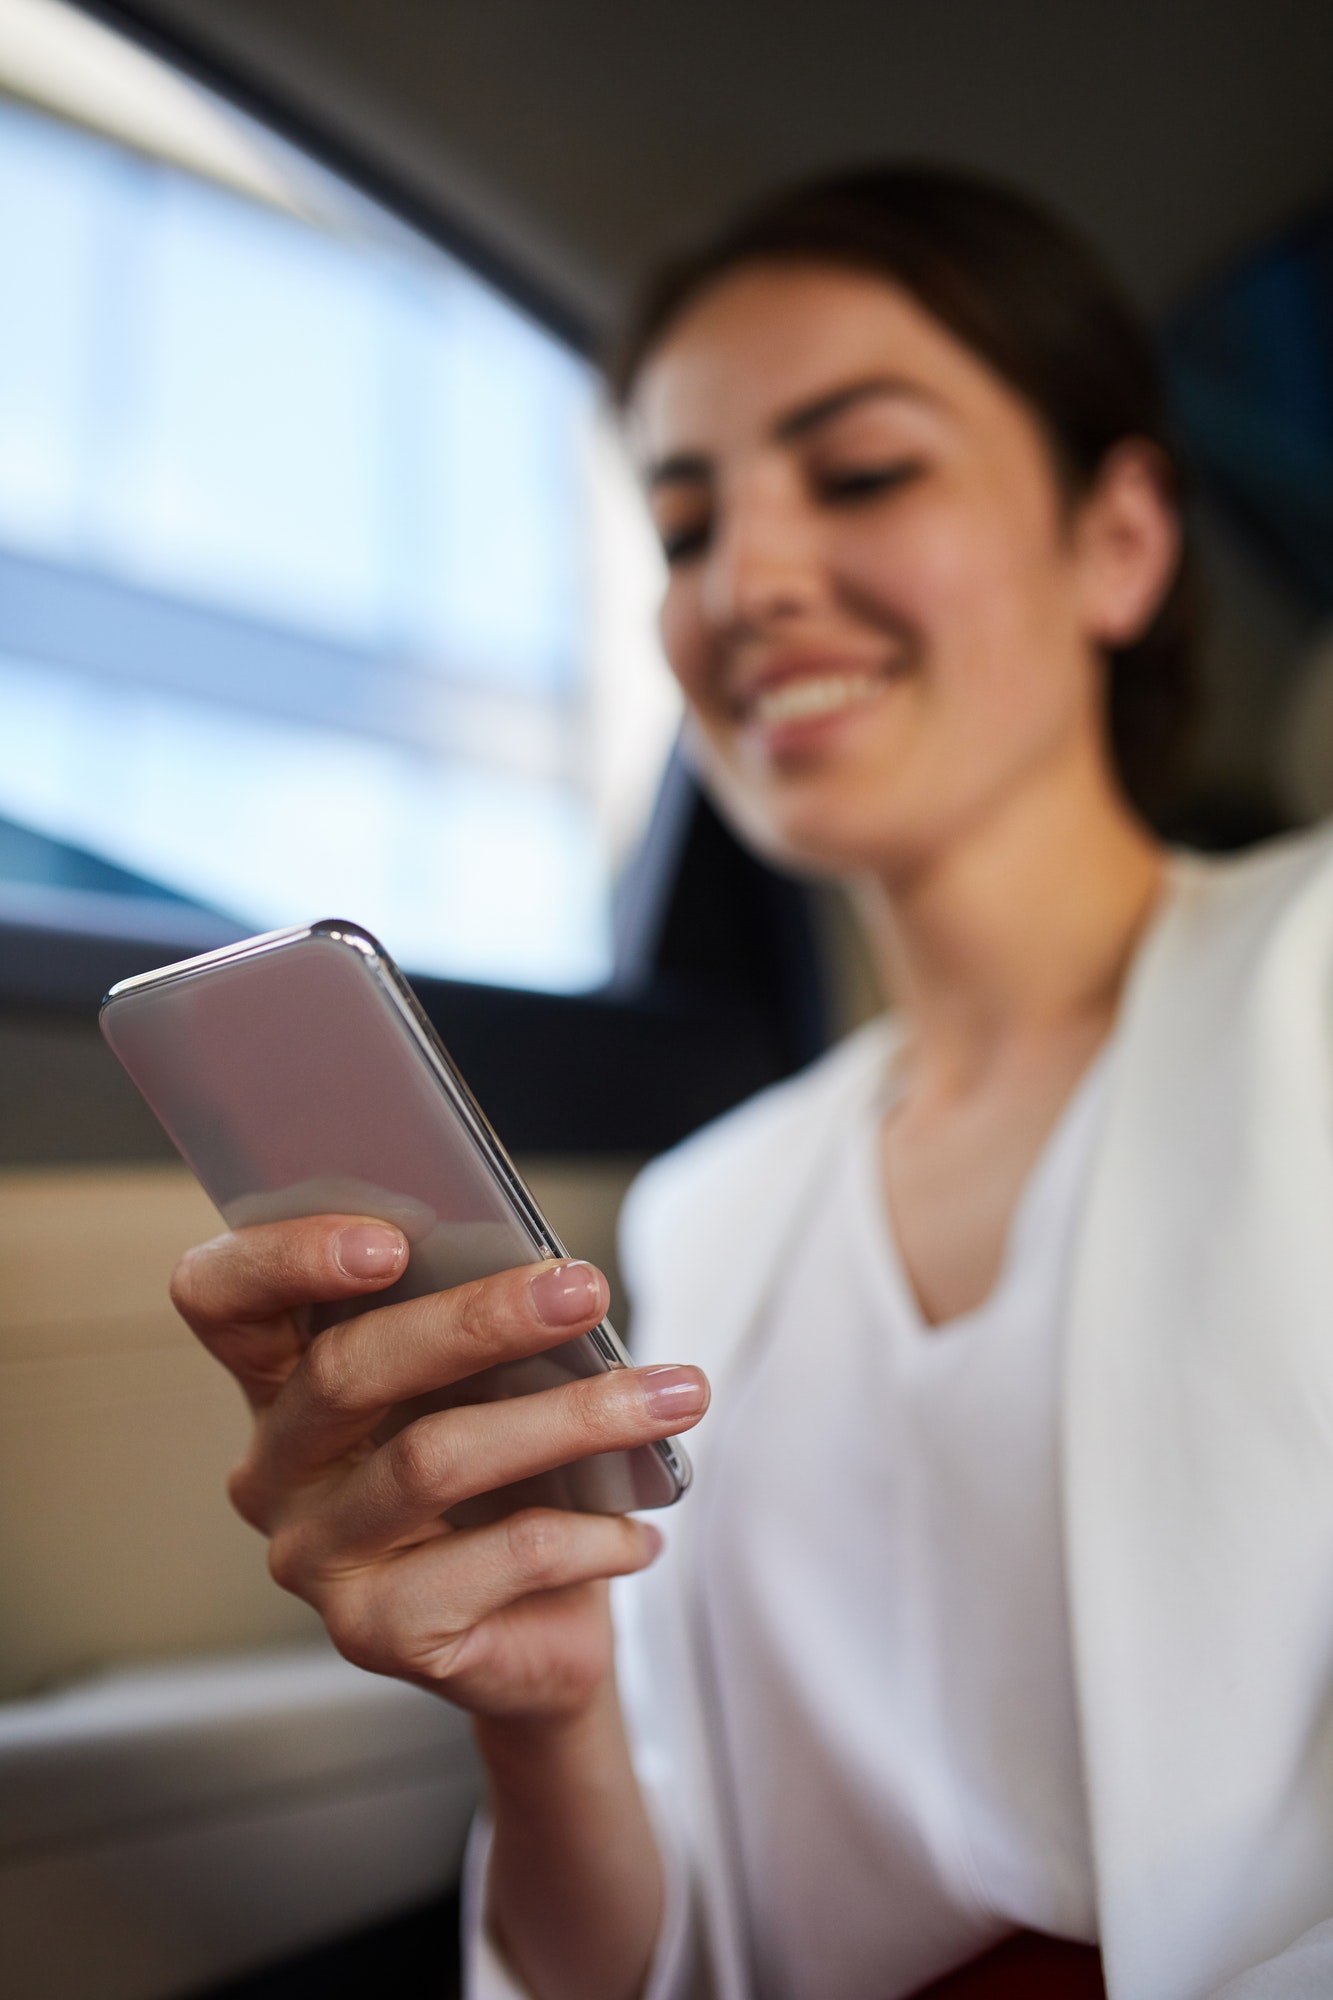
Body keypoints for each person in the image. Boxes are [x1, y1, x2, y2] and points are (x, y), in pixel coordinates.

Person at [169, 167, 1333, 2000]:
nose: (748, 584)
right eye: (683, 523)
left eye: (860, 473)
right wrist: (539, 1716)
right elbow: (662, 1959)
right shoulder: (719, 1205)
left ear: (1118, 539)